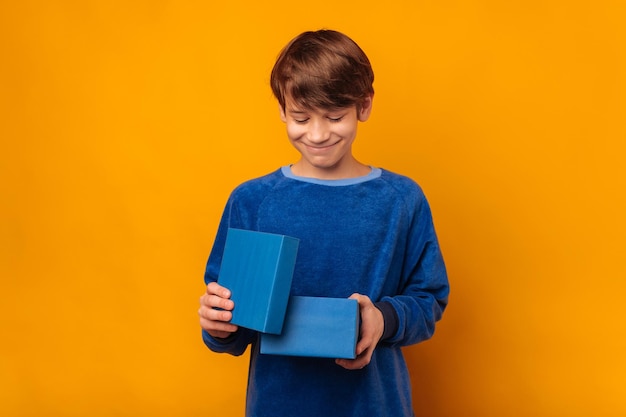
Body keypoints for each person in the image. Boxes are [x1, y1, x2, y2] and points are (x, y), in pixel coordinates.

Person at [198, 29, 449, 417]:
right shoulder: (251, 201)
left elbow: (429, 299)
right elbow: (232, 324)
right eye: (301, 118)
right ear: (282, 109)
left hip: (374, 405)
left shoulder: (401, 199)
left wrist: (383, 319)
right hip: (278, 405)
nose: (317, 134)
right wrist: (218, 326)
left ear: (364, 106)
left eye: (334, 117)